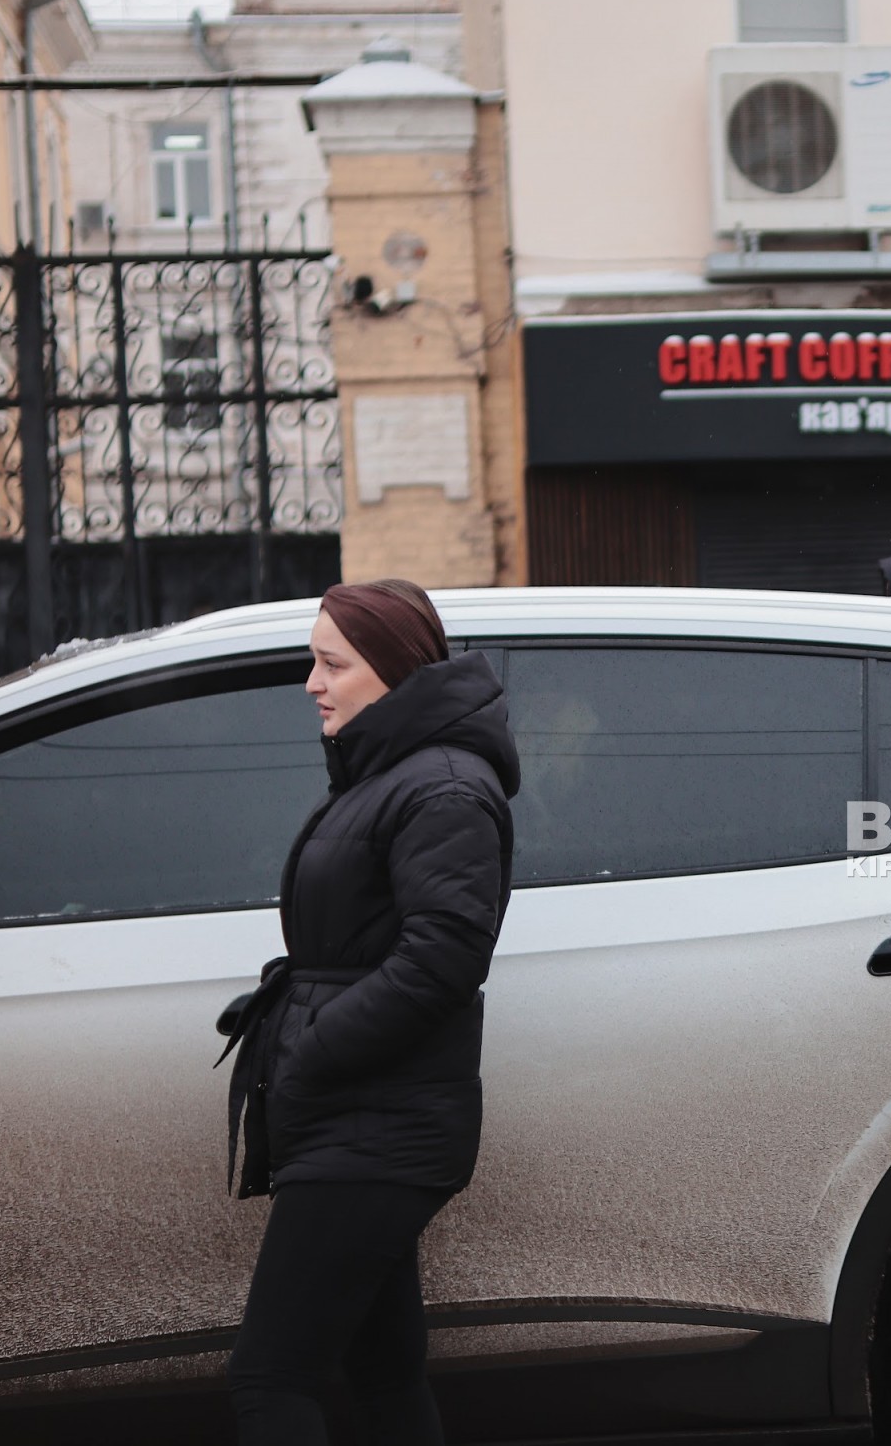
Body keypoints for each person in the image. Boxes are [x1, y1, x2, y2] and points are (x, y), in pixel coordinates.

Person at [220, 578, 519, 1445]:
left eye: (330, 663)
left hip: (379, 1125)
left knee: (270, 1377)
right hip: (364, 1116)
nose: (311, 682)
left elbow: (445, 958)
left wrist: (310, 1051)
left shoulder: (444, 790)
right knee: (382, 1373)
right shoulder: (393, 774)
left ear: (389, 670)